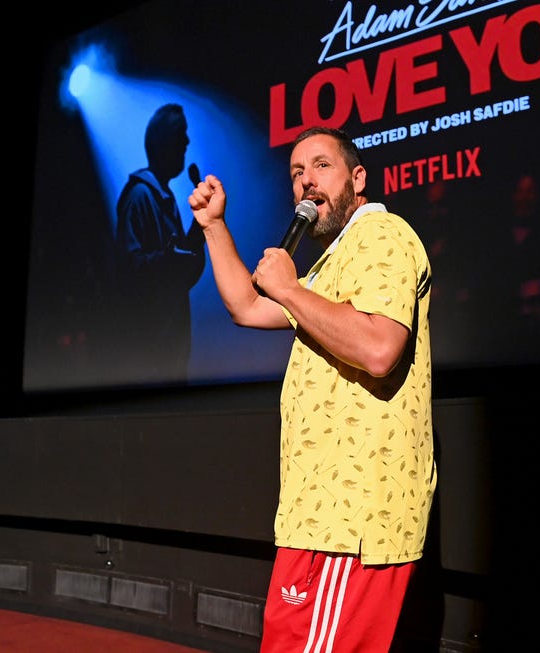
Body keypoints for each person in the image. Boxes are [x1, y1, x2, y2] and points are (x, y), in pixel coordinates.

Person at [188, 126, 437, 652]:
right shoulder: (332, 263)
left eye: (321, 166)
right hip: (320, 516)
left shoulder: (381, 236)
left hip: (352, 518)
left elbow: (378, 347)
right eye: (297, 173)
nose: (306, 182)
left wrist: (289, 287)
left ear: (358, 177)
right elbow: (248, 306)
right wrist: (213, 226)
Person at [115, 103, 206, 384]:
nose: (187, 141)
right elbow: (129, 270)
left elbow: (181, 270)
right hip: (148, 354)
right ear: (163, 141)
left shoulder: (162, 196)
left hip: (171, 351)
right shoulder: (140, 196)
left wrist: (200, 226)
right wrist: (171, 258)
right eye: (181, 133)